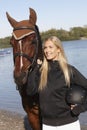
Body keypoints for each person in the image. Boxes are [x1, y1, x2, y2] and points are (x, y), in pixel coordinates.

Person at [26, 36, 87, 130]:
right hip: (47, 125)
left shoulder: (69, 70)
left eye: (50, 47)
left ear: (58, 49)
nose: (47, 50)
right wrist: (36, 68)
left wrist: (80, 108)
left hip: (69, 124)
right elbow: (30, 91)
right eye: (45, 48)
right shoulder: (40, 71)